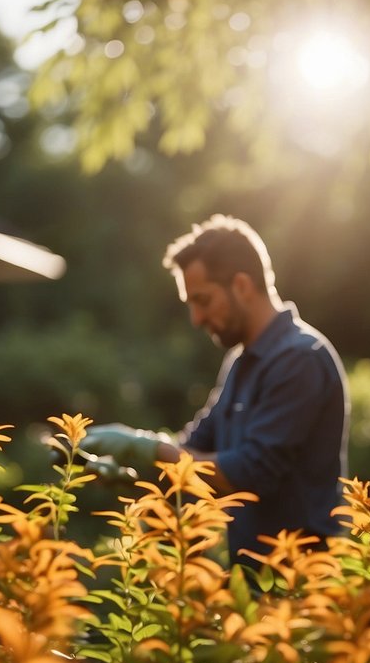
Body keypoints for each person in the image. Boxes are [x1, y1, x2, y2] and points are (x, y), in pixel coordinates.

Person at [81, 214, 349, 567]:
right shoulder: (241, 363)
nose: (196, 318)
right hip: (252, 578)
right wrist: (133, 470)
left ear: (241, 285)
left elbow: (252, 474)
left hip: (303, 581)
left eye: (203, 300)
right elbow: (193, 449)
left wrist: (144, 447)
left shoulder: (300, 359)